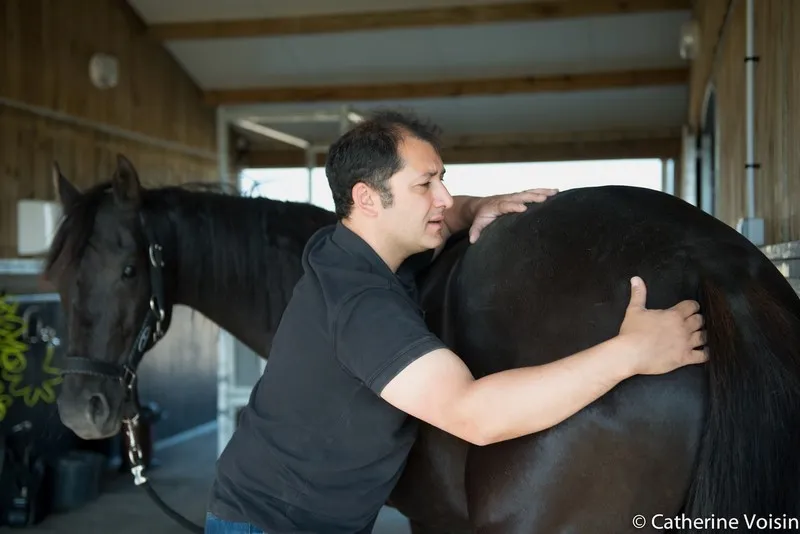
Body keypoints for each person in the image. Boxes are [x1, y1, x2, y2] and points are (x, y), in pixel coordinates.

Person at [205, 110, 707, 534]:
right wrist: (630, 353)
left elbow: (447, 214)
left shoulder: (347, 246)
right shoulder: (360, 305)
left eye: (443, 178)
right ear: (366, 198)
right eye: (426, 184)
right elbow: (474, 415)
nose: (444, 197)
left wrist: (476, 208)